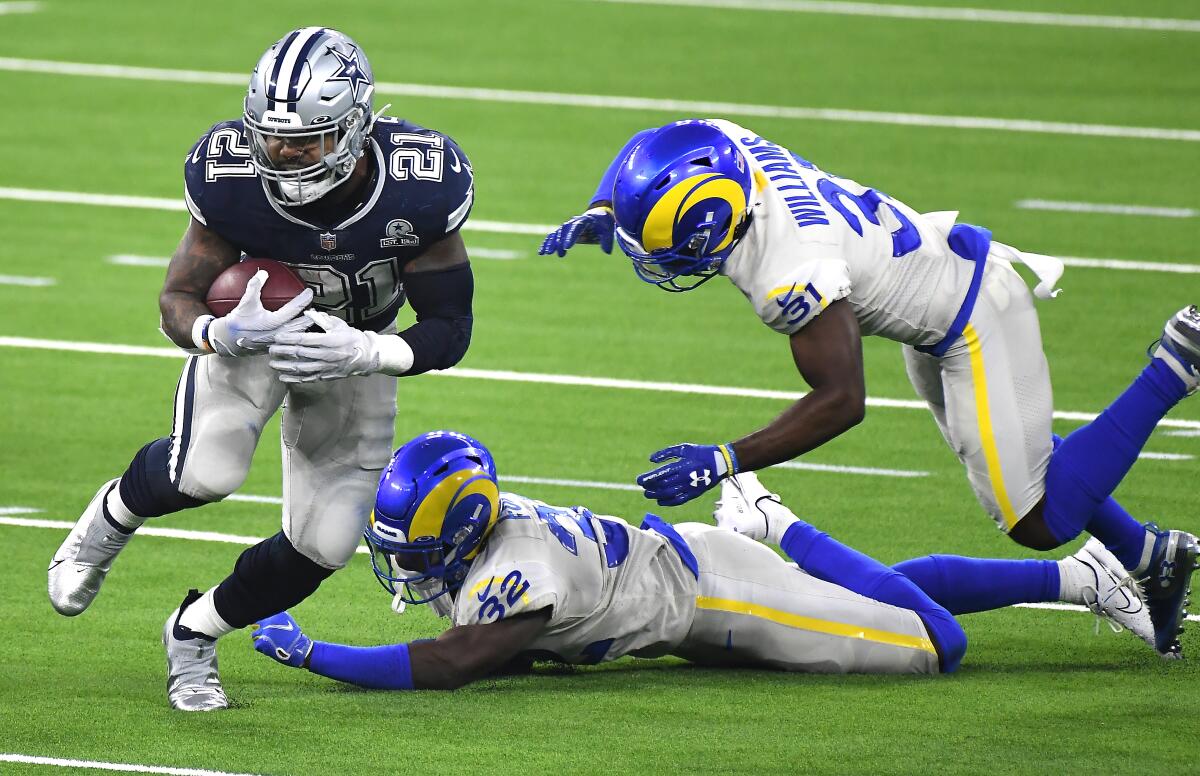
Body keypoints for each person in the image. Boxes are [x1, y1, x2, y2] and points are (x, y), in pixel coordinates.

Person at [538, 118, 1199, 656]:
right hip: (934, 302)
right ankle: (1147, 554)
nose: (659, 264)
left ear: (713, 227)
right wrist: (607, 207)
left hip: (972, 317)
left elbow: (842, 402)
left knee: (1038, 518)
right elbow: (650, 147)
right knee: (1023, 459)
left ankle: (1177, 362)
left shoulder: (788, 271)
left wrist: (727, 459)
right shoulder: (728, 150)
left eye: (670, 249)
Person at [47, 27, 477, 712]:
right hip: (255, 340)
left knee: (326, 543)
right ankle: (109, 519)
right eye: (273, 137)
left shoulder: (417, 186)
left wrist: (368, 352)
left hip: (353, 350)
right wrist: (220, 332)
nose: (285, 154)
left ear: (357, 125)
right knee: (204, 472)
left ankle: (192, 633)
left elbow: (451, 327)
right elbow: (176, 301)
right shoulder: (231, 180)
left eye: (307, 139)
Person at [247, 430, 1161, 693]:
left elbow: (453, 664)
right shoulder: (493, 535)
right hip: (690, 577)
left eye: (414, 547)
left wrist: (314, 653)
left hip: (724, 595)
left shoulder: (514, 573)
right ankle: (1090, 577)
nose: (403, 563)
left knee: (933, 644)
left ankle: (777, 518)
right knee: (869, 590)